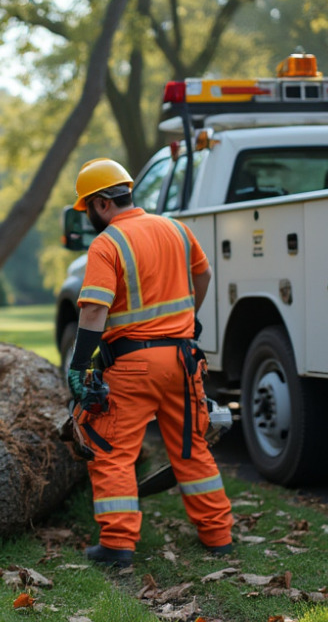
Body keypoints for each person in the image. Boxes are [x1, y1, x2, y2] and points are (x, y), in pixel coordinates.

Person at [67, 158, 233, 568]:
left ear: (103, 203)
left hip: (132, 366)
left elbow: (93, 312)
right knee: (191, 448)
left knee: (112, 450)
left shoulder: (108, 243)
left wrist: (78, 365)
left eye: (88, 207)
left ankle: (118, 544)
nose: (88, 217)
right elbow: (205, 275)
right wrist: (189, 318)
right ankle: (218, 536)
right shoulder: (175, 228)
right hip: (183, 359)